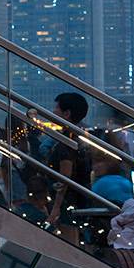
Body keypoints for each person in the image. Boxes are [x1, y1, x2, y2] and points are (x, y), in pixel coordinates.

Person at [45, 93, 92, 233]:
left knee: (69, 237)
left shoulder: (67, 141)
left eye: (56, 108)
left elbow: (65, 176)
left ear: (67, 114)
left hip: (68, 201)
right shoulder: (80, 138)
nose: (53, 112)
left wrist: (56, 208)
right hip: (78, 199)